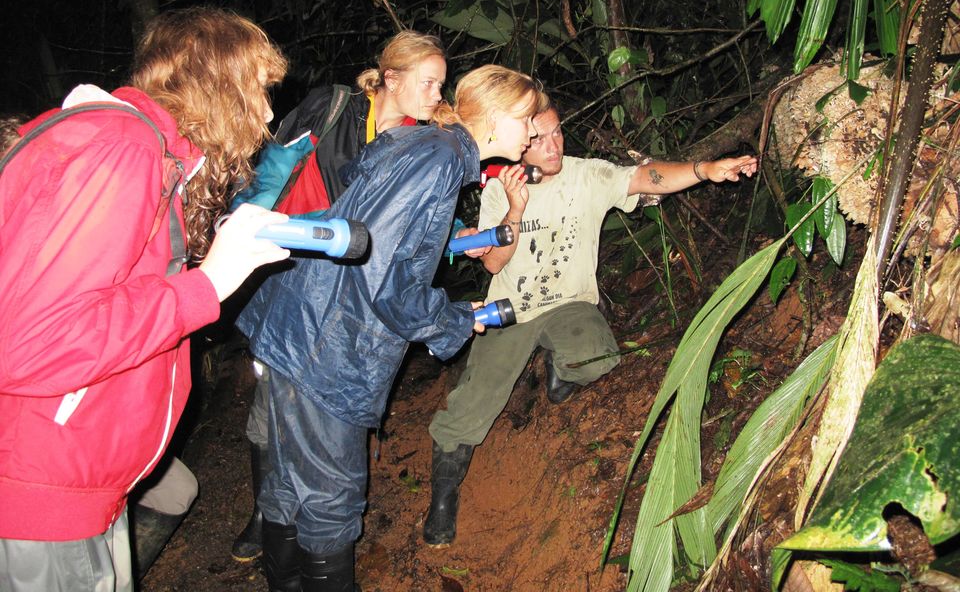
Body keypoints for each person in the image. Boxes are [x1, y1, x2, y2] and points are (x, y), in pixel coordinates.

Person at [0, 7, 292, 592]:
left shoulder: (145, 154)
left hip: (77, 483)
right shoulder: (123, 148)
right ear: (216, 83)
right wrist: (207, 285)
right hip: (47, 488)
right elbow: (29, 342)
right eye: (259, 91)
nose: (266, 115)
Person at [236, 64, 546, 592]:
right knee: (332, 499)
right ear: (494, 118)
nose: (535, 133)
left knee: (290, 486)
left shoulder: (427, 144)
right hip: (330, 346)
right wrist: (453, 320)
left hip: (298, 325)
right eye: (528, 120)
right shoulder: (442, 158)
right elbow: (387, 280)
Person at [423, 103, 758, 546]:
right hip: (509, 310)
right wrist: (515, 209)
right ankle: (443, 497)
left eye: (557, 133)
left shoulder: (588, 174)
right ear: (520, 144)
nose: (553, 145)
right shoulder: (500, 189)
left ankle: (561, 373)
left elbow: (645, 176)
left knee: (598, 355)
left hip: (570, 304)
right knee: (472, 403)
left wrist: (705, 169)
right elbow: (494, 263)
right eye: (539, 139)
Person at [230, 30, 456, 563]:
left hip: (344, 302)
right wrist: (253, 233)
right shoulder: (333, 108)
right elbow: (273, 171)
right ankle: (264, 514)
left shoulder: (416, 143)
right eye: (429, 83)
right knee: (273, 407)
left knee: (321, 416)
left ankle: (289, 524)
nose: (437, 96)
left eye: (441, 86)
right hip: (291, 272)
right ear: (391, 78)